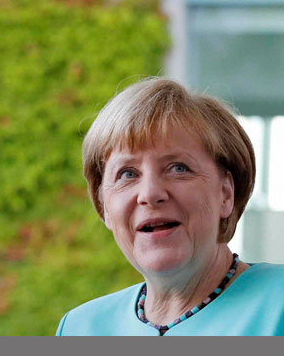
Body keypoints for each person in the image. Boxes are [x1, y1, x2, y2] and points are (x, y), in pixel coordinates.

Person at [56, 77, 284, 336]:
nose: (150, 194)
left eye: (178, 168)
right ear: (104, 206)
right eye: (127, 174)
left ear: (225, 193)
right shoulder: (79, 328)